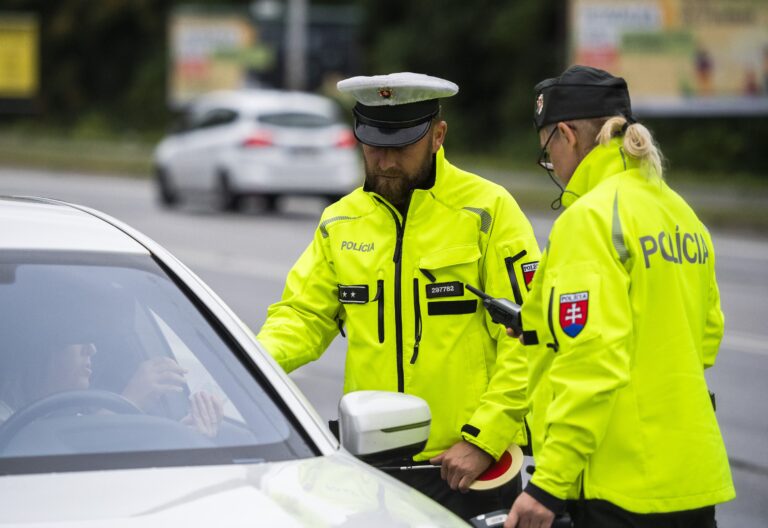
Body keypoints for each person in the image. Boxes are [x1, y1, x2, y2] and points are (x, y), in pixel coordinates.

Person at [257, 72, 541, 519]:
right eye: (373, 144)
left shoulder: (488, 210)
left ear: (438, 136)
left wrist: (483, 438)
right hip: (366, 473)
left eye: (401, 145)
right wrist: (243, 366)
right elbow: (301, 318)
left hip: (464, 469)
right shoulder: (339, 221)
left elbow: (529, 336)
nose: (386, 160)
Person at [504, 65, 735, 528]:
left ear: (566, 135)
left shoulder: (588, 219)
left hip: (619, 487)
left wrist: (549, 485)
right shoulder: (681, 213)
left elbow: (591, 359)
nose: (553, 167)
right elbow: (706, 338)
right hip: (690, 480)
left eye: (547, 152)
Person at [0, 340, 222, 437]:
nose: (92, 349)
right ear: (38, 347)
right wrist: (130, 401)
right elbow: (40, 448)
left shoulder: (73, 414)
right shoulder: (5, 416)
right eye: (76, 338)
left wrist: (182, 435)